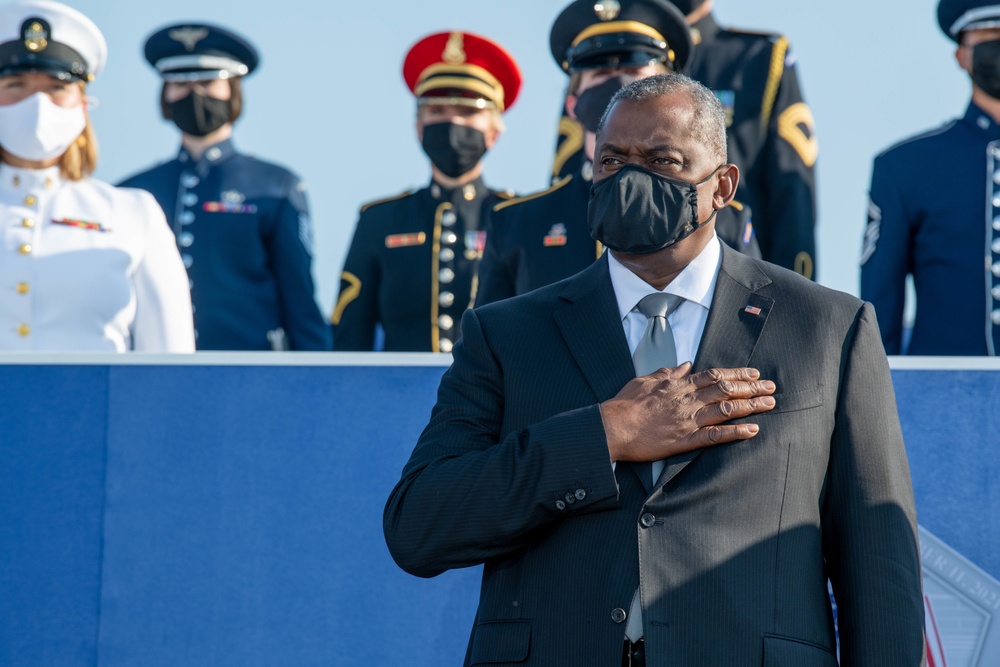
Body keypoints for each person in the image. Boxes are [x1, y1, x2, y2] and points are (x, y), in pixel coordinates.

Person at [384, 74, 924, 665]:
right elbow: (420, 526)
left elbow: (879, 565)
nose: (629, 179)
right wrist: (605, 434)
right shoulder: (506, 333)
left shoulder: (827, 329)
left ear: (722, 186)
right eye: (611, 160)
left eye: (662, 160)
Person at [476, 0, 759, 307]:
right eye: (600, 73)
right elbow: (489, 346)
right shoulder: (518, 224)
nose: (618, 85)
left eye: (634, 70)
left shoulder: (724, 218)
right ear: (573, 104)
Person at [553, 0, 817, 278]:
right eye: (603, 73)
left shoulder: (756, 57)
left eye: (634, 72)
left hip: (726, 243)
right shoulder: (593, 73)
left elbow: (791, 197)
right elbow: (571, 176)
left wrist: (790, 295)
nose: (619, 79)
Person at [119, 23, 329, 351]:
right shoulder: (132, 192)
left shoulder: (275, 185)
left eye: (207, 82)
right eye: (180, 84)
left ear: (232, 90)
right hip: (154, 375)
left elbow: (299, 298)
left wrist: (317, 381)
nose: (194, 94)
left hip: (249, 374)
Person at [0, 0, 193, 352]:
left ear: (84, 103)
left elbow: (171, 364)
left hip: (97, 408)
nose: (38, 102)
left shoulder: (132, 214)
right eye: (16, 84)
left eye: (57, 87)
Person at [332, 31, 520, 352]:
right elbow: (351, 335)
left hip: (495, 399)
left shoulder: (517, 217)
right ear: (418, 127)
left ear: (494, 132)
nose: (452, 122)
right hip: (397, 396)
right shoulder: (380, 220)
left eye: (469, 113)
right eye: (437, 112)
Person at [862, 0, 1000, 356]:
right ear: (962, 56)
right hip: (943, 400)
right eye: (990, 37)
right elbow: (881, 305)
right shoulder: (906, 166)